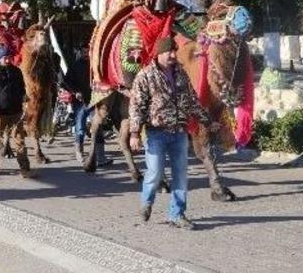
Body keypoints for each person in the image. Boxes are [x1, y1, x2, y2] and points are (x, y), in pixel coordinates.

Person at [129, 37, 217, 230]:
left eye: (174, 51)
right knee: (155, 172)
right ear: (159, 53)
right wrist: (134, 132)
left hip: (179, 133)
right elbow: (137, 105)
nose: (173, 55)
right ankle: (147, 201)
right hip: (156, 133)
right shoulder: (145, 76)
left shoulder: (181, 74)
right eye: (169, 51)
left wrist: (207, 121)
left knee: (180, 174)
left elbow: (192, 100)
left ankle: (177, 214)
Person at [0, 48, 30, 177]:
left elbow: (22, 89)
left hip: (16, 112)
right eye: (5, 58)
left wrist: (25, 98)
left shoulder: (17, 71)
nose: (8, 60)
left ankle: (25, 168)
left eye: (10, 57)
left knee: (20, 141)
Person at [63, 45, 112, 167]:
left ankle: (101, 157)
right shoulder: (75, 66)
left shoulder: (95, 66)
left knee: (98, 128)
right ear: (80, 52)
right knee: (80, 128)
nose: (86, 54)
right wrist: (75, 92)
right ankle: (79, 152)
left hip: (95, 101)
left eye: (88, 52)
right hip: (80, 102)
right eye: (84, 52)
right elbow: (65, 82)